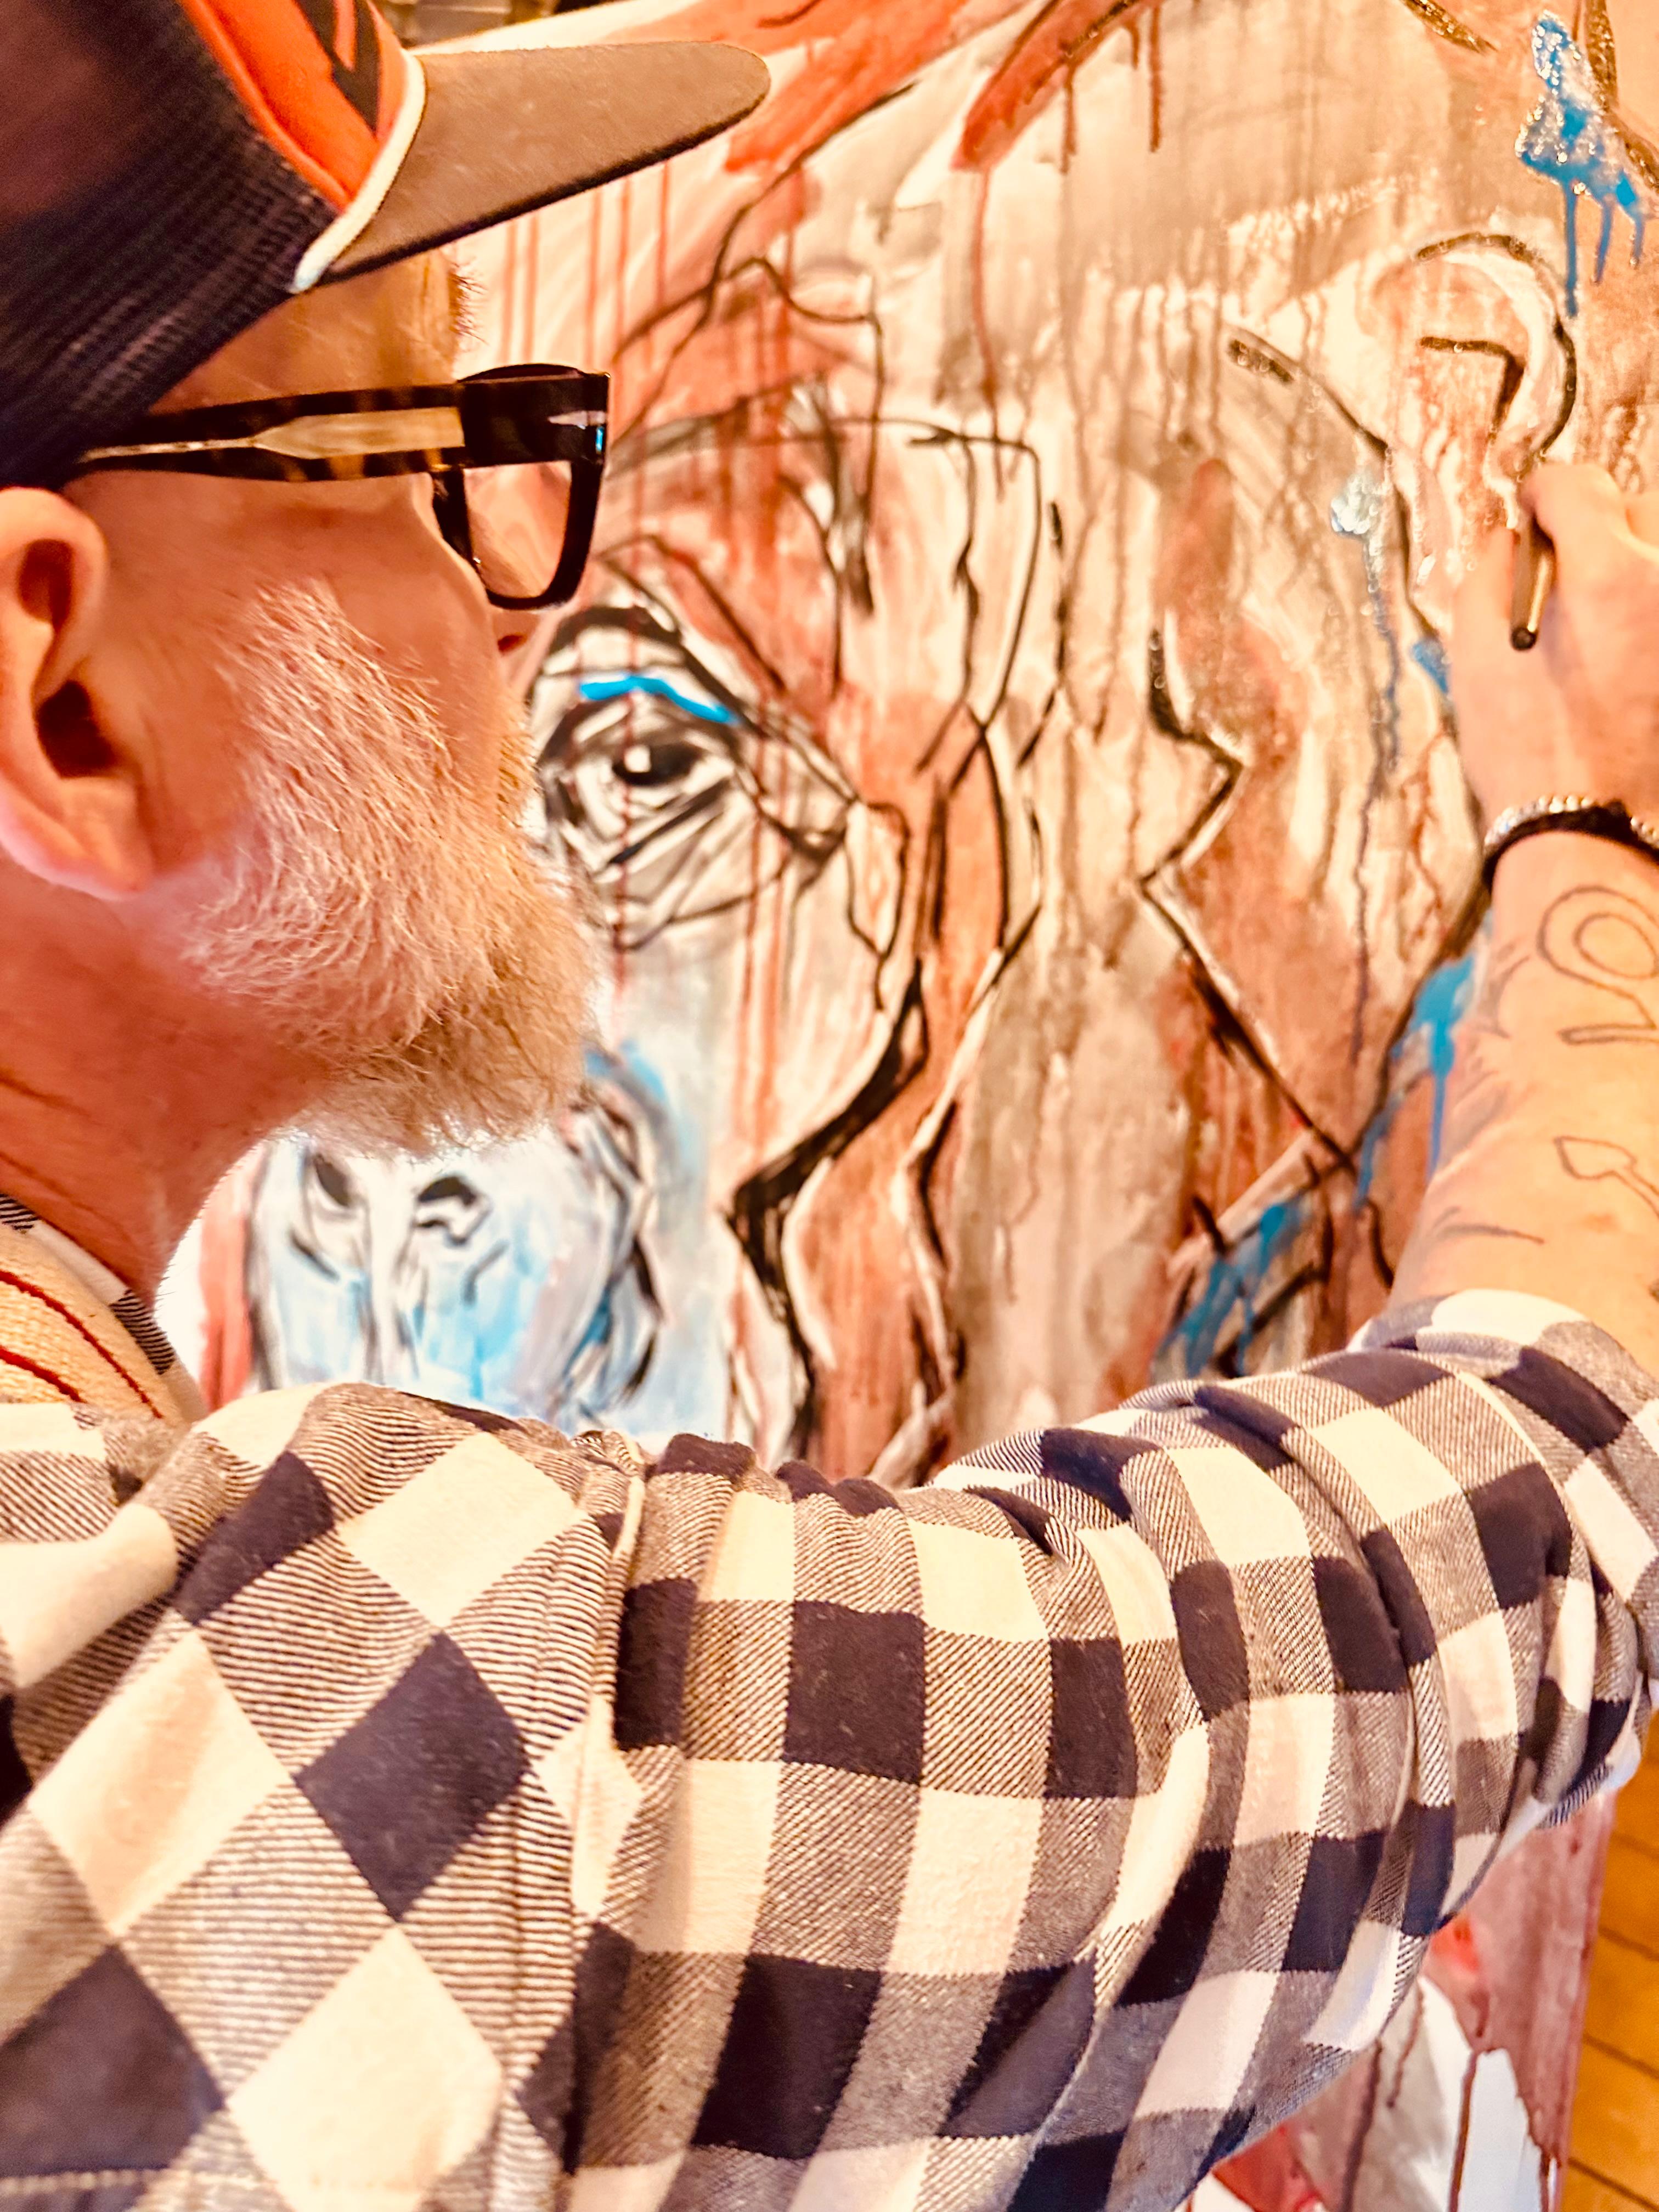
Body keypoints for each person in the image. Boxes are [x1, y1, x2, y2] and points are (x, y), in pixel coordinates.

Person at [0, 8, 1655, 2212]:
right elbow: (1470, 1563)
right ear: (64, 698)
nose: (516, 604)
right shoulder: (196, 1712)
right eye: (418, 457)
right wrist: (1601, 839)